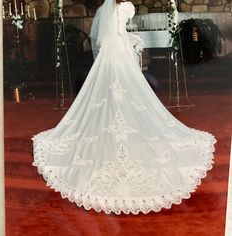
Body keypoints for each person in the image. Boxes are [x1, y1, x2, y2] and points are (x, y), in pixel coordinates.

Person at [32, 0, 216, 215]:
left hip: (110, 52)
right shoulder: (126, 6)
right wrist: (131, 41)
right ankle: (123, 121)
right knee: (127, 87)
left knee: (114, 88)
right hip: (121, 50)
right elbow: (120, 32)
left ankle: (116, 120)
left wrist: (127, 40)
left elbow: (103, 37)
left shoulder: (106, 8)